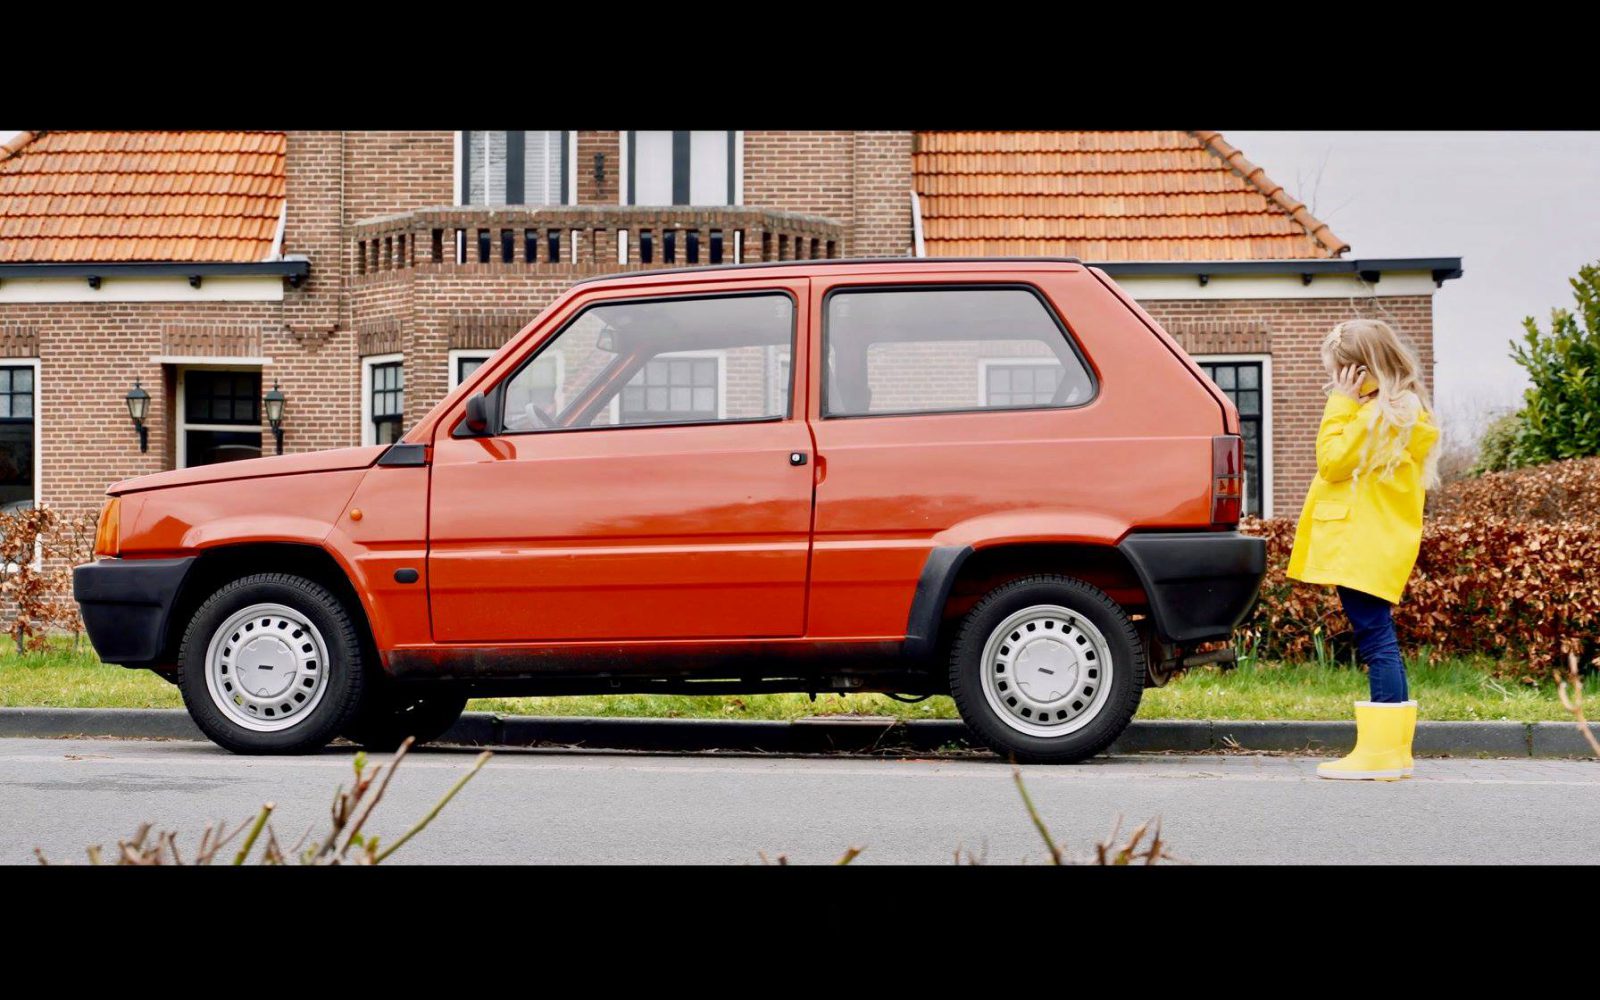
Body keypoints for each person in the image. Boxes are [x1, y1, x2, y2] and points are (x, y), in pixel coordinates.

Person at [1286, 318, 1440, 781]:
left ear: (1360, 371)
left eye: (1340, 373)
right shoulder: (1394, 409)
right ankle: (1393, 750)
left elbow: (1332, 462)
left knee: (1376, 639)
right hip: (1374, 541)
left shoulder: (1381, 413)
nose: (1336, 382)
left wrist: (1339, 403)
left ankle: (1381, 754)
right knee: (1379, 637)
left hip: (1364, 544)